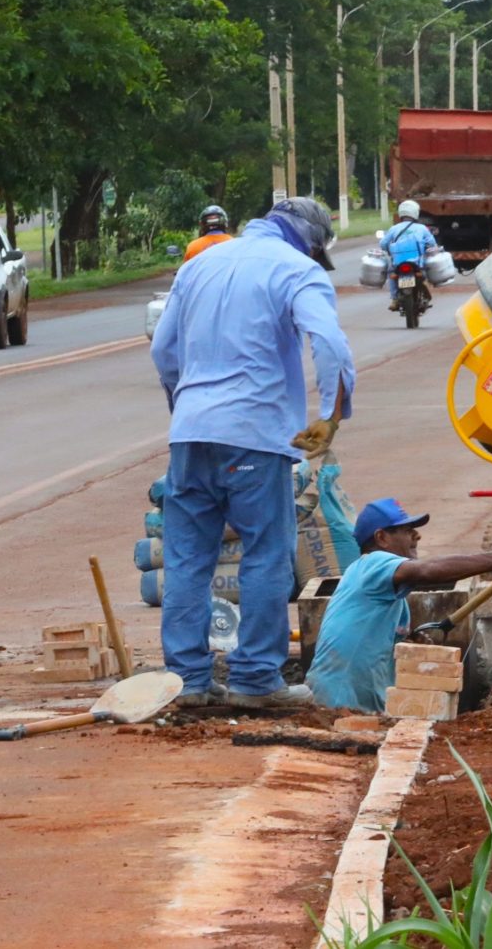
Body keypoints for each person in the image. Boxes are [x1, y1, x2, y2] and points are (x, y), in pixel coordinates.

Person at [150, 196, 356, 709]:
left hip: (190, 434)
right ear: (310, 241)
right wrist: (331, 415)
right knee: (266, 554)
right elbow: (327, 342)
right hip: (255, 435)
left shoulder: (199, 265)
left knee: (186, 559)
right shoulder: (297, 269)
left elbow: (162, 350)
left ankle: (188, 682)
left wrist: (188, 405)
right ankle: (255, 678)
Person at [305, 498, 492, 712]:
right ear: (381, 538)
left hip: (360, 707)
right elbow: (428, 570)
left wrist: (409, 644)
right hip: (337, 704)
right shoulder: (373, 563)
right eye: (408, 530)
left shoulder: (393, 599)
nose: (417, 536)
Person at [380, 201, 437, 312]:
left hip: (398, 263)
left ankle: (394, 298)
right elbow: (432, 244)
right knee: (426, 270)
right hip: (417, 263)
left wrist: (388, 250)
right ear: (415, 213)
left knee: (390, 273)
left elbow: (383, 244)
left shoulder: (394, 228)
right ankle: (425, 287)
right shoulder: (422, 228)